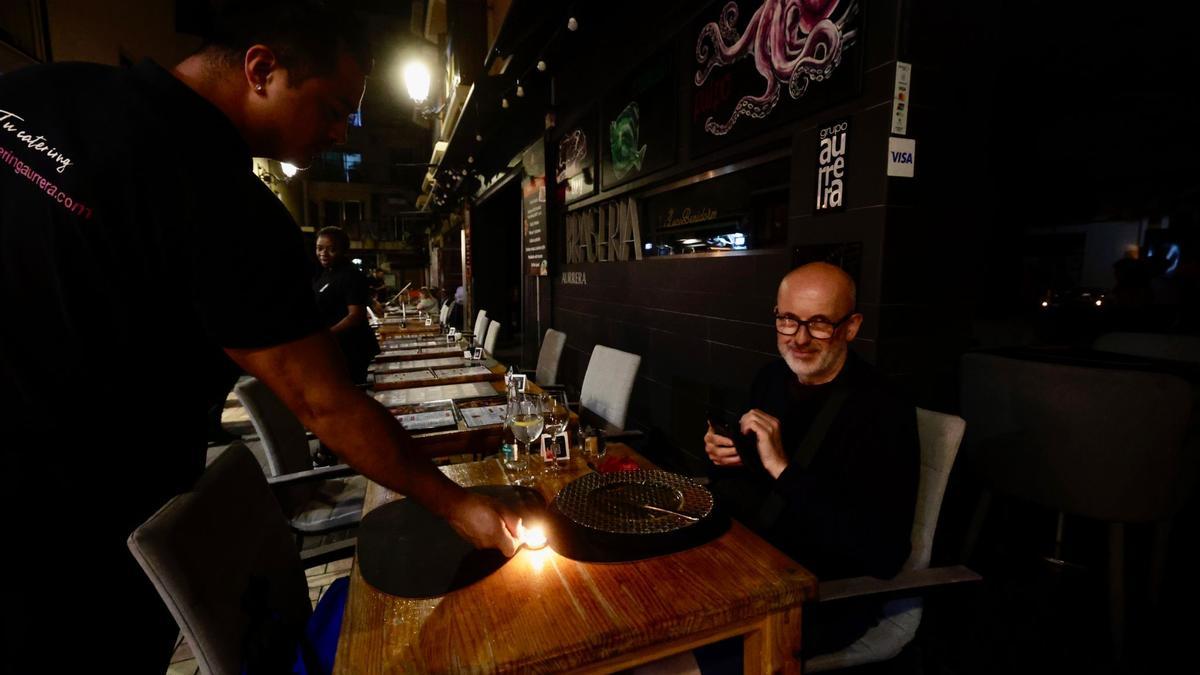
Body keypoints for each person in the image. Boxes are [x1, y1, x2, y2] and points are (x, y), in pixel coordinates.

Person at [0, 2, 521, 672]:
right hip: (63, 547)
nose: (339, 131)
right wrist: (458, 505)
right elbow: (323, 402)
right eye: (333, 107)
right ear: (262, 68)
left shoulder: (38, 89)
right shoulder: (220, 200)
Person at [702, 262, 919, 660]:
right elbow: (761, 484)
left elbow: (884, 554)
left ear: (851, 327)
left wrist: (783, 469)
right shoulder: (771, 377)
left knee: (693, 647)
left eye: (819, 324)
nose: (799, 338)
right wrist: (728, 458)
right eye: (788, 320)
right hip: (752, 563)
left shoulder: (885, 410)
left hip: (825, 594)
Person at [313, 225, 380, 384]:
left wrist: (327, 336)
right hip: (333, 348)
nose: (323, 253)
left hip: (351, 349)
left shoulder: (351, 275)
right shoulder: (324, 274)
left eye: (331, 249)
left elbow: (355, 316)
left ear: (344, 250)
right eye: (319, 248)